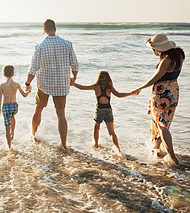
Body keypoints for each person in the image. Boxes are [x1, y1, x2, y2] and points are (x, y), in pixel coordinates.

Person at [25, 19, 79, 149]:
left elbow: (33, 68)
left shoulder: (40, 46)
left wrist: (27, 83)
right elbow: (75, 65)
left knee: (38, 109)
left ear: (44, 30)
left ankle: (33, 136)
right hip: (61, 84)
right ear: (55, 29)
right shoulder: (67, 44)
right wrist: (74, 78)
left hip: (44, 83)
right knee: (61, 114)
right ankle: (64, 144)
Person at [133, 34, 185, 165]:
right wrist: (152, 42)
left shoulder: (166, 60)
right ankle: (155, 148)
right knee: (164, 123)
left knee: (161, 125)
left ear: (160, 49)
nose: (153, 52)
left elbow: (155, 78)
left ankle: (172, 157)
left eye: (154, 49)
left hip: (162, 93)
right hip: (174, 90)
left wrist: (140, 87)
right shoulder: (178, 56)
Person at [71, 71, 138, 152]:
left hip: (99, 110)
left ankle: (95, 145)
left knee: (96, 128)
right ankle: (118, 149)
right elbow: (119, 95)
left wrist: (73, 84)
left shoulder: (96, 86)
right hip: (108, 110)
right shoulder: (110, 88)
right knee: (111, 132)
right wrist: (131, 93)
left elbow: (82, 87)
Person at [0, 65, 32, 149]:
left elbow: (0, 98)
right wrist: (29, 90)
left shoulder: (2, 85)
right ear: (13, 74)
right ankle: (12, 133)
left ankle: (9, 147)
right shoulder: (16, 84)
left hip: (6, 107)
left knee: (7, 127)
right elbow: (24, 95)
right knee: (12, 116)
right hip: (14, 106)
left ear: (3, 74)